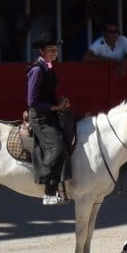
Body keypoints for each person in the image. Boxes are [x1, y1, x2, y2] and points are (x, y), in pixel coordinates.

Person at [24, 37, 73, 204]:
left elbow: (46, 95)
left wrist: (60, 102)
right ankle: (50, 192)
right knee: (56, 147)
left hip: (48, 114)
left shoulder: (48, 67)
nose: (54, 52)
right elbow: (32, 101)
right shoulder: (38, 70)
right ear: (41, 51)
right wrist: (56, 108)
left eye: (56, 49)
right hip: (40, 118)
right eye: (51, 49)